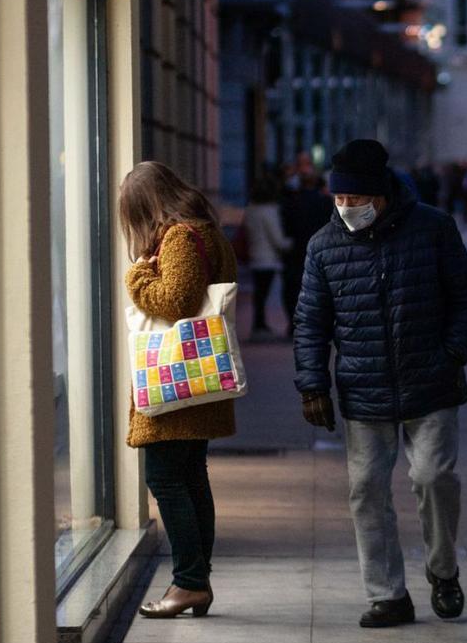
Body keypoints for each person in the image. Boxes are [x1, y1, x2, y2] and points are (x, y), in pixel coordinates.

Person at [294, 139, 467, 628]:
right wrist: (312, 384)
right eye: (338, 200)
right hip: (364, 388)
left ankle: (442, 570)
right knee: (366, 489)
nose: (346, 208)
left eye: (355, 200)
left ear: (380, 196)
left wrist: (453, 354)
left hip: (431, 381)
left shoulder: (434, 229)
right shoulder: (324, 246)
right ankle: (387, 595)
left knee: (433, 478)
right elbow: (311, 321)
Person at [120, 162, 238, 619]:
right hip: (201, 376)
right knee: (191, 477)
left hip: (176, 378)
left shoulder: (179, 237)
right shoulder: (208, 232)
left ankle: (189, 582)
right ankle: (196, 579)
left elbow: (177, 301)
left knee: (165, 478)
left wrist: (137, 278)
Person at [280, 165, 333, 336]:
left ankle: (294, 323)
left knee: (293, 288)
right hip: (319, 250)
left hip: (296, 251)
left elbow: (286, 227)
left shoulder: (291, 203)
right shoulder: (324, 202)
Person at [243, 175, 292, 337]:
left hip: (254, 255)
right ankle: (260, 323)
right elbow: (277, 239)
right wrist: (291, 244)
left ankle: (259, 323)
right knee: (264, 291)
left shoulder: (250, 210)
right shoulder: (270, 211)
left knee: (259, 292)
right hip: (268, 258)